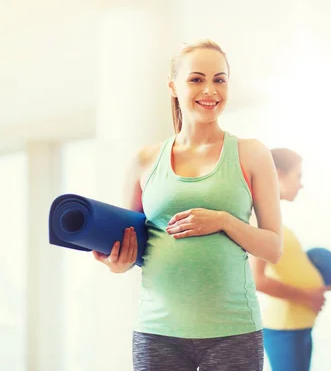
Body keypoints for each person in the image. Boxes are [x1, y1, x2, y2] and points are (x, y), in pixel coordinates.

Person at [91, 39, 283, 371]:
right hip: (157, 332)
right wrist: (117, 262)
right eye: (196, 79)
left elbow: (273, 248)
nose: (210, 90)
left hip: (233, 331)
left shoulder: (251, 153)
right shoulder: (144, 161)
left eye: (219, 79)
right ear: (173, 86)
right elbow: (134, 248)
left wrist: (224, 220)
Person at [250, 148, 331, 371]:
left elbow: (291, 269)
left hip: (297, 325)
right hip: (284, 327)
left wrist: (325, 280)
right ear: (279, 174)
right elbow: (257, 280)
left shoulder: (275, 219)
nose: (301, 184)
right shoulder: (260, 218)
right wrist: (307, 296)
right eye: (298, 176)